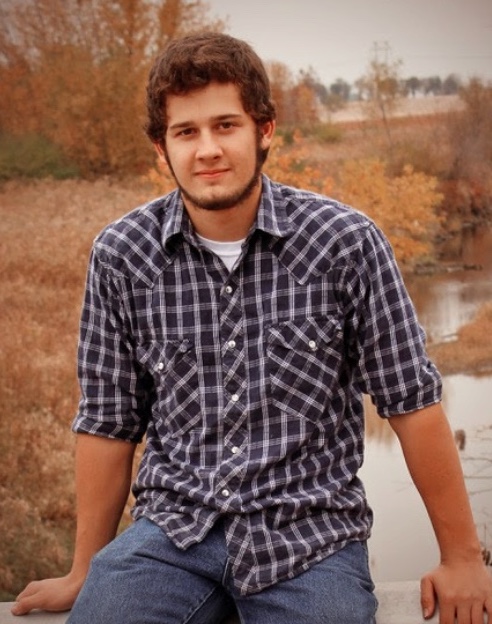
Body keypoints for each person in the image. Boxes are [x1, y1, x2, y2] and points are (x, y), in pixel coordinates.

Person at [12, 32, 492, 624]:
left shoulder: (345, 243)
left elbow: (411, 403)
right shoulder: (123, 255)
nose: (207, 149)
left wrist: (461, 557)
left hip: (310, 539)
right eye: (186, 132)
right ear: (162, 148)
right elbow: (109, 422)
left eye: (226, 125)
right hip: (171, 536)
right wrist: (85, 569)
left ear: (264, 130)